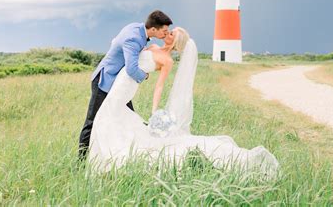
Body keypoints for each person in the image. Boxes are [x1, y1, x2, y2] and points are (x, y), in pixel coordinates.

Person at [88, 27, 279, 179]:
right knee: (111, 119)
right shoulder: (153, 47)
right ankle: (103, 154)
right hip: (122, 85)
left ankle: (106, 157)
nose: (167, 33)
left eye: (171, 34)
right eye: (168, 31)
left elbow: (159, 87)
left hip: (126, 88)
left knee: (110, 120)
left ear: (175, 42)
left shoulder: (167, 60)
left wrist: (155, 110)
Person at [78, 10, 173, 160]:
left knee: (128, 120)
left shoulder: (136, 28)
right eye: (164, 31)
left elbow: (116, 41)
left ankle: (125, 158)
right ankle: (81, 162)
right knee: (92, 121)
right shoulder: (134, 38)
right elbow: (131, 69)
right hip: (105, 80)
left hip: (119, 86)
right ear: (154, 29)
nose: (166, 34)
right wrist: (145, 76)